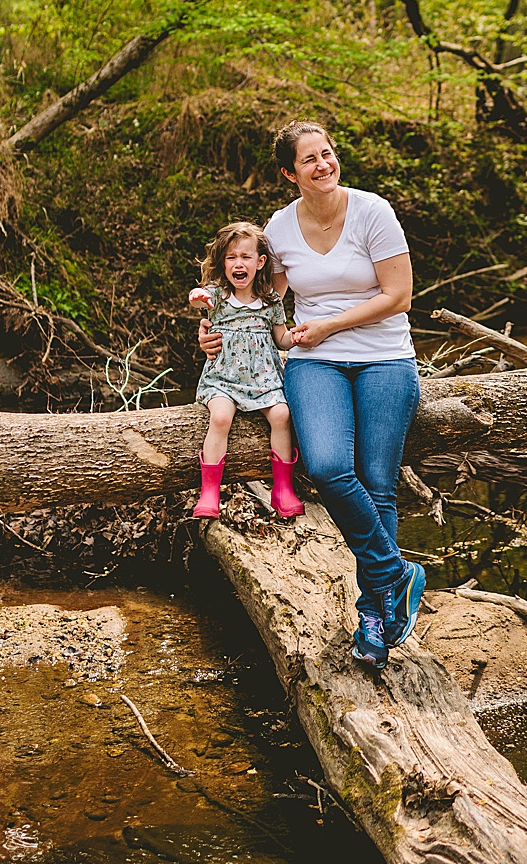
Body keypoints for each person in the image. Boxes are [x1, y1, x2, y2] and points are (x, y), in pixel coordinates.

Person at [199, 119, 425, 670]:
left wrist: (330, 324)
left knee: (378, 482)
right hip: (314, 360)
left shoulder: (373, 212)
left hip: (385, 358)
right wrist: (217, 330)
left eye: (328, 153)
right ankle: (396, 572)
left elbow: (400, 296)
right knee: (326, 466)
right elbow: (261, 299)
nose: (324, 164)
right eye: (309, 159)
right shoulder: (278, 228)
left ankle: (374, 616)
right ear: (288, 173)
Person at [185, 220, 302, 521]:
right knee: (221, 416)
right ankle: (209, 491)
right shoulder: (218, 297)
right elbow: (198, 297)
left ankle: (283, 489)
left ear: (260, 262)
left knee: (281, 415)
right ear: (223, 262)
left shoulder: (270, 301)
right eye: (231, 257)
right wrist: (197, 298)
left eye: (246, 257)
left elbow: (281, 338)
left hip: (264, 379)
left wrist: (298, 336)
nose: (239, 263)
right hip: (223, 379)